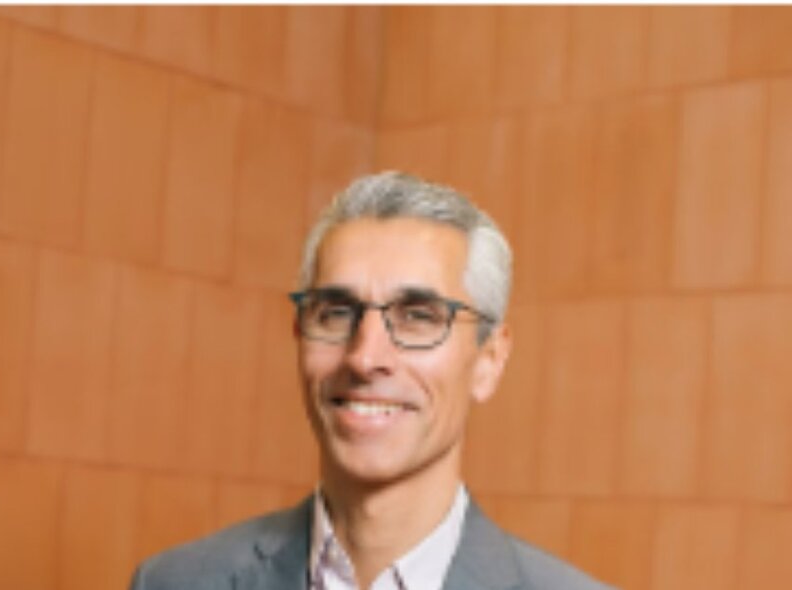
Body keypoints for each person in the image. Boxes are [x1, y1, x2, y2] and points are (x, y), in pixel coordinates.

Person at [129, 171, 612, 590]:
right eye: (336, 313)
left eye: (418, 316)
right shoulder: (175, 585)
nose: (364, 358)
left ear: (489, 359)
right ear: (298, 334)